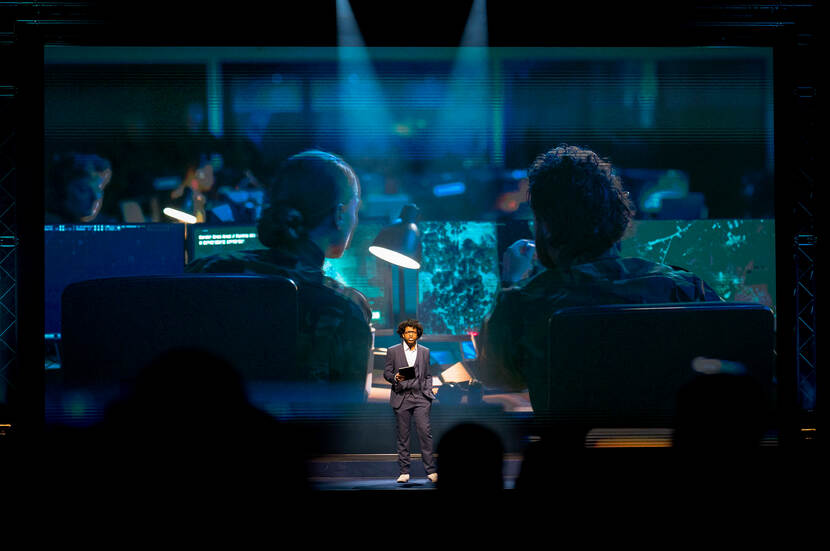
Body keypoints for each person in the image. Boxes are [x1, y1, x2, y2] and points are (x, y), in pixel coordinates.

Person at [476, 144, 721, 412]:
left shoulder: (525, 303)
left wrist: (510, 282)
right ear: (617, 215)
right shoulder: (682, 289)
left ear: (545, 226)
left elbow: (496, 377)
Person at [186, 150, 372, 393]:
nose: (355, 220)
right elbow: (350, 409)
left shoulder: (203, 271)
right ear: (339, 215)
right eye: (354, 211)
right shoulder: (346, 308)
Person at [383, 319, 437, 484]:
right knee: (403, 436)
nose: (411, 335)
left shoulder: (425, 351)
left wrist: (428, 391)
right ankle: (404, 471)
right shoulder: (393, 351)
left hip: (421, 398)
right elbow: (387, 373)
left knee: (425, 433)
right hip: (402, 397)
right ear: (402, 334)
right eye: (408, 332)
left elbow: (428, 375)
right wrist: (395, 378)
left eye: (413, 332)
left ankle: (431, 470)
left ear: (418, 334)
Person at [45, 152, 112, 223]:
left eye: (99, 190)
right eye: (83, 190)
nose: (95, 198)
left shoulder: (109, 223)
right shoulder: (49, 223)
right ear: (61, 190)